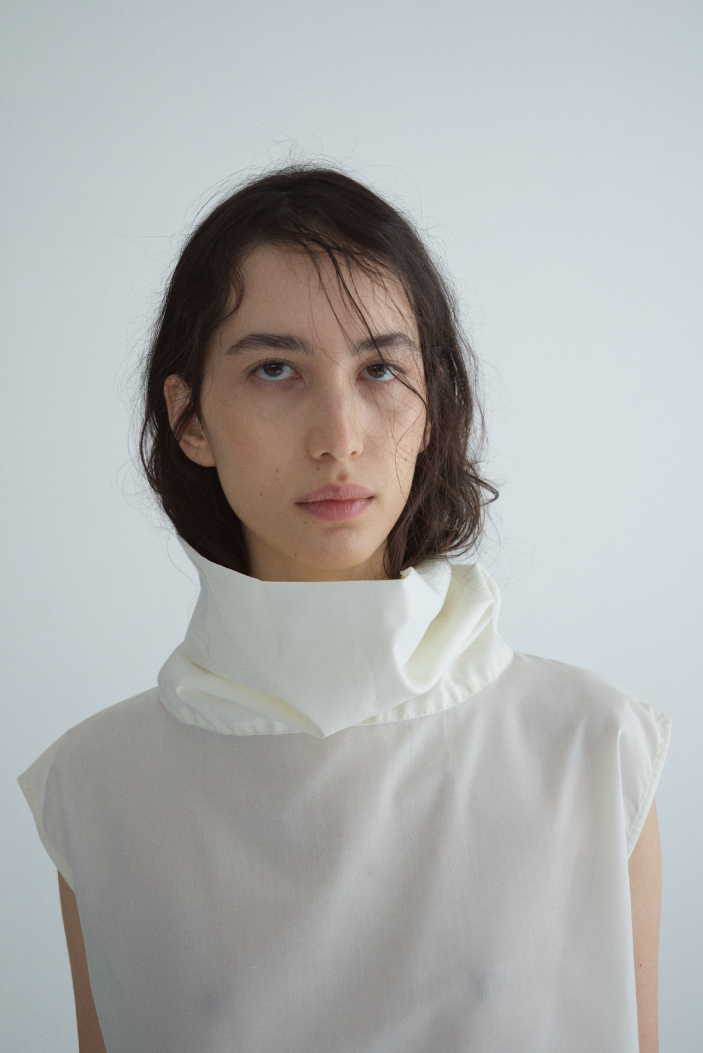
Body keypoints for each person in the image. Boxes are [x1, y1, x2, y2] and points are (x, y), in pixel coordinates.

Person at [18, 165, 670, 1053]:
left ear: (431, 404)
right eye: (274, 369)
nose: (338, 437)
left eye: (380, 369)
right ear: (189, 418)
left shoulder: (593, 747)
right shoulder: (95, 787)